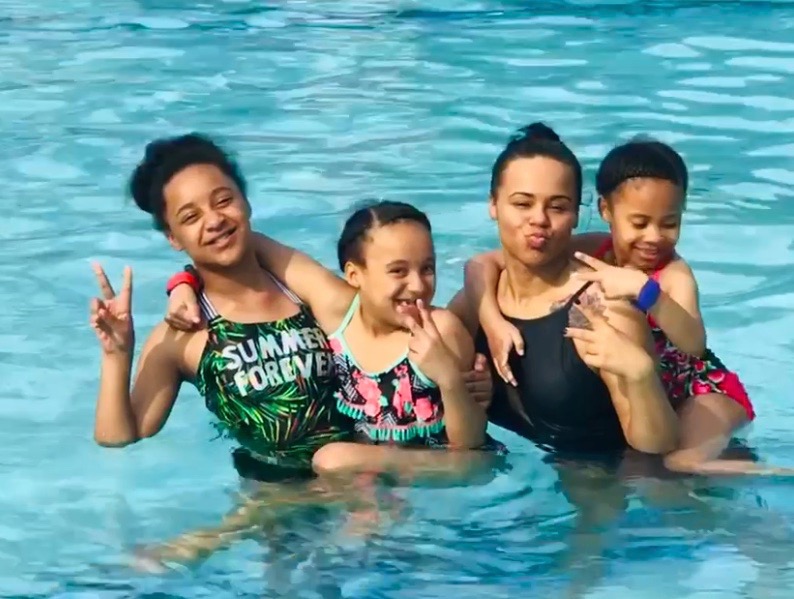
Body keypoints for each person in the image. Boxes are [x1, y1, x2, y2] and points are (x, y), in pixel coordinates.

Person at [90, 133, 363, 569]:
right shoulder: (183, 333)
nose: (214, 220)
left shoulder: (295, 284)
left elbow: (363, 314)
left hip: (363, 474)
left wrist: (184, 278)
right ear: (173, 237)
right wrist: (117, 354)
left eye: (223, 200)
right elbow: (119, 434)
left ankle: (215, 537)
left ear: (246, 202)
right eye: (190, 216)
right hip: (274, 504)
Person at [466, 136, 794, 475]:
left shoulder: (672, 274)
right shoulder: (594, 248)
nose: (653, 237)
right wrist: (491, 320)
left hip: (699, 391)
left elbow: (695, 344)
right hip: (662, 392)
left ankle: (780, 474)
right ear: (606, 211)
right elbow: (481, 264)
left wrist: (644, 290)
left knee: (682, 463)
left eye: (669, 224)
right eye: (639, 223)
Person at [165, 200, 504, 475]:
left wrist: (448, 377)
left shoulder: (440, 331)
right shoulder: (340, 318)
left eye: (427, 268)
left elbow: (470, 444)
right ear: (354, 274)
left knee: (333, 460)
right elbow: (240, 243)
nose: (417, 285)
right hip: (375, 480)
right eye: (398, 271)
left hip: (441, 471)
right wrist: (184, 281)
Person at [446, 122, 680, 458]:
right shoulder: (479, 300)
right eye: (522, 204)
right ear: (493, 205)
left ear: (576, 215)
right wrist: (460, 384)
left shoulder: (602, 311)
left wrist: (640, 374)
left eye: (557, 207)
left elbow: (658, 450)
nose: (539, 219)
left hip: (599, 478)